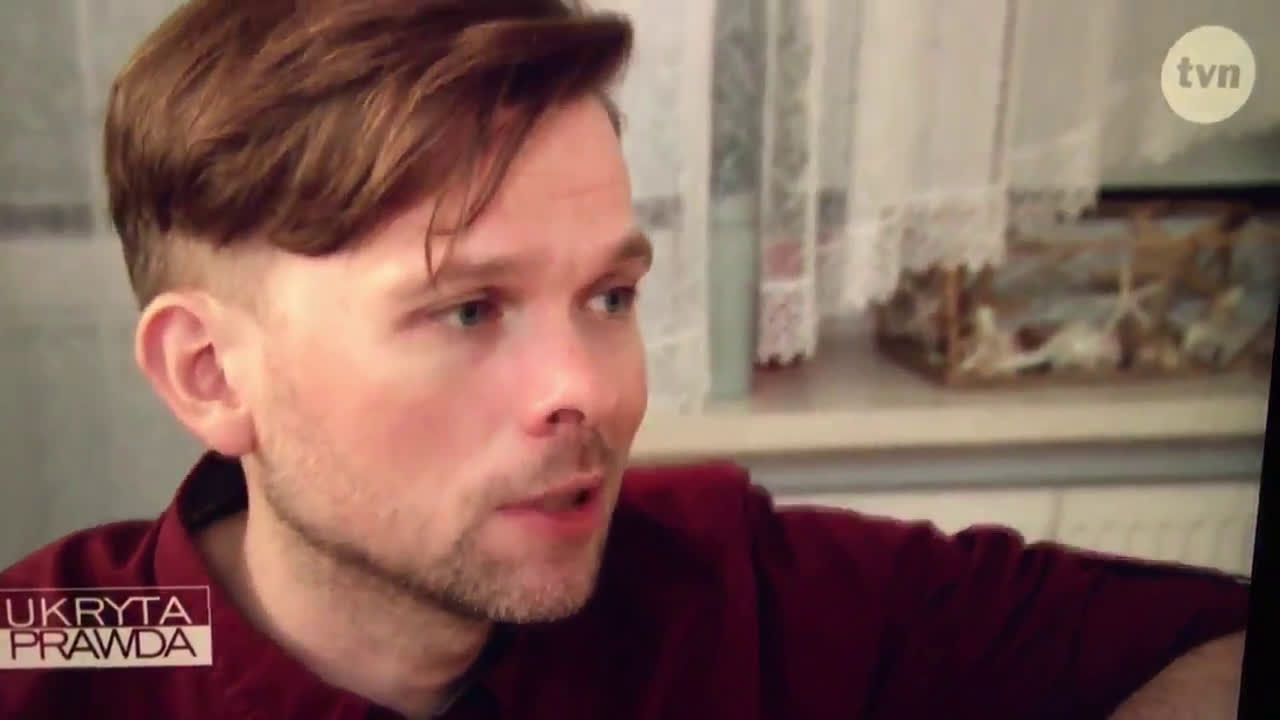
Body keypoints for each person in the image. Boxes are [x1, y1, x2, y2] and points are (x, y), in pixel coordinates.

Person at [0, 1, 1250, 718]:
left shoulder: (723, 585)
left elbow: (1205, 635)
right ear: (211, 374)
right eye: (469, 311)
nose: (591, 392)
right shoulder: (73, 648)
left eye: (609, 295)